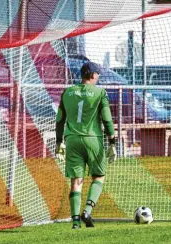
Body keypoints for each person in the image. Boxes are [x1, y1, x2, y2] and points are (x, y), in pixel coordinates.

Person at [55, 61, 117, 229]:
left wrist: (59, 142)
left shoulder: (67, 92)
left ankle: (75, 221)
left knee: (76, 180)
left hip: (72, 140)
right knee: (98, 176)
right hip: (93, 139)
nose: (99, 77)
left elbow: (60, 119)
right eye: (98, 74)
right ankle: (87, 211)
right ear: (92, 75)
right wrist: (112, 141)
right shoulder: (100, 92)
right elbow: (107, 118)